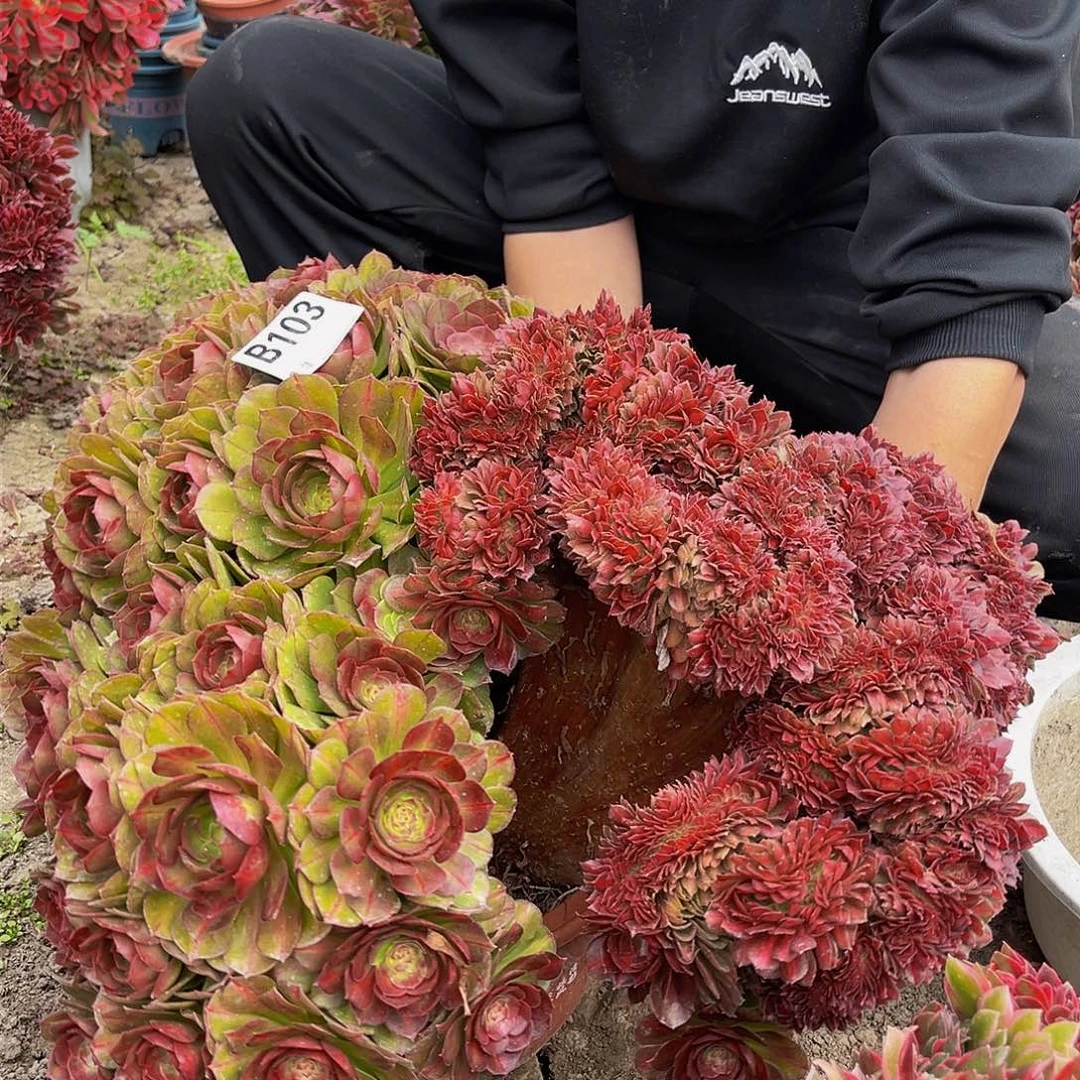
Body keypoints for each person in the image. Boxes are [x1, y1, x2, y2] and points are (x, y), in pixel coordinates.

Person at [186, 2, 1080, 618]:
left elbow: (972, 237)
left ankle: (792, 454)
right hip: (591, 212)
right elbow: (548, 168)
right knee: (267, 91)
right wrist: (589, 491)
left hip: (849, 252)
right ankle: (425, 499)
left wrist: (864, 605)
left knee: (1058, 488)